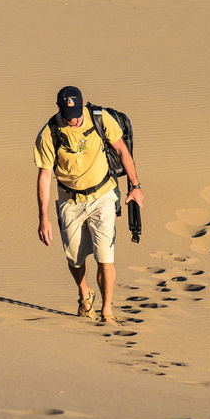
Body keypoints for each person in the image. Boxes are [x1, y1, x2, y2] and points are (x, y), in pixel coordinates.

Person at [35, 86, 143, 324]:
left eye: (75, 112)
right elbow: (44, 175)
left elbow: (122, 150)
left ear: (83, 104)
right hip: (69, 201)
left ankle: (107, 311)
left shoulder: (100, 118)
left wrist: (135, 186)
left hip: (102, 196)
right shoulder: (49, 132)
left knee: (105, 257)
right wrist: (43, 218)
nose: (72, 119)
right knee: (75, 258)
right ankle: (85, 292)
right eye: (67, 113)